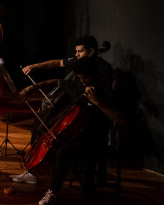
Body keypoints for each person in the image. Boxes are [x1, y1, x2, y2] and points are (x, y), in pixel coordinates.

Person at [13, 34, 112, 184]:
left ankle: (48, 166)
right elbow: (59, 64)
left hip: (91, 112)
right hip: (74, 103)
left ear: (92, 52)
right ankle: (35, 167)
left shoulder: (103, 70)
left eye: (80, 52)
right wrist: (35, 67)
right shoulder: (78, 63)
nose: (76, 55)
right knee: (44, 123)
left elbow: (102, 92)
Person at [36, 55, 125, 205]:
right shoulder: (79, 86)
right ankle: (35, 173)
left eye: (85, 78)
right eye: (79, 78)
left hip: (96, 140)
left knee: (63, 152)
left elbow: (120, 119)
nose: (82, 81)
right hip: (77, 136)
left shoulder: (106, 93)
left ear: (94, 74)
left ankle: (53, 192)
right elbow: (60, 84)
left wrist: (98, 103)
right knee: (49, 139)